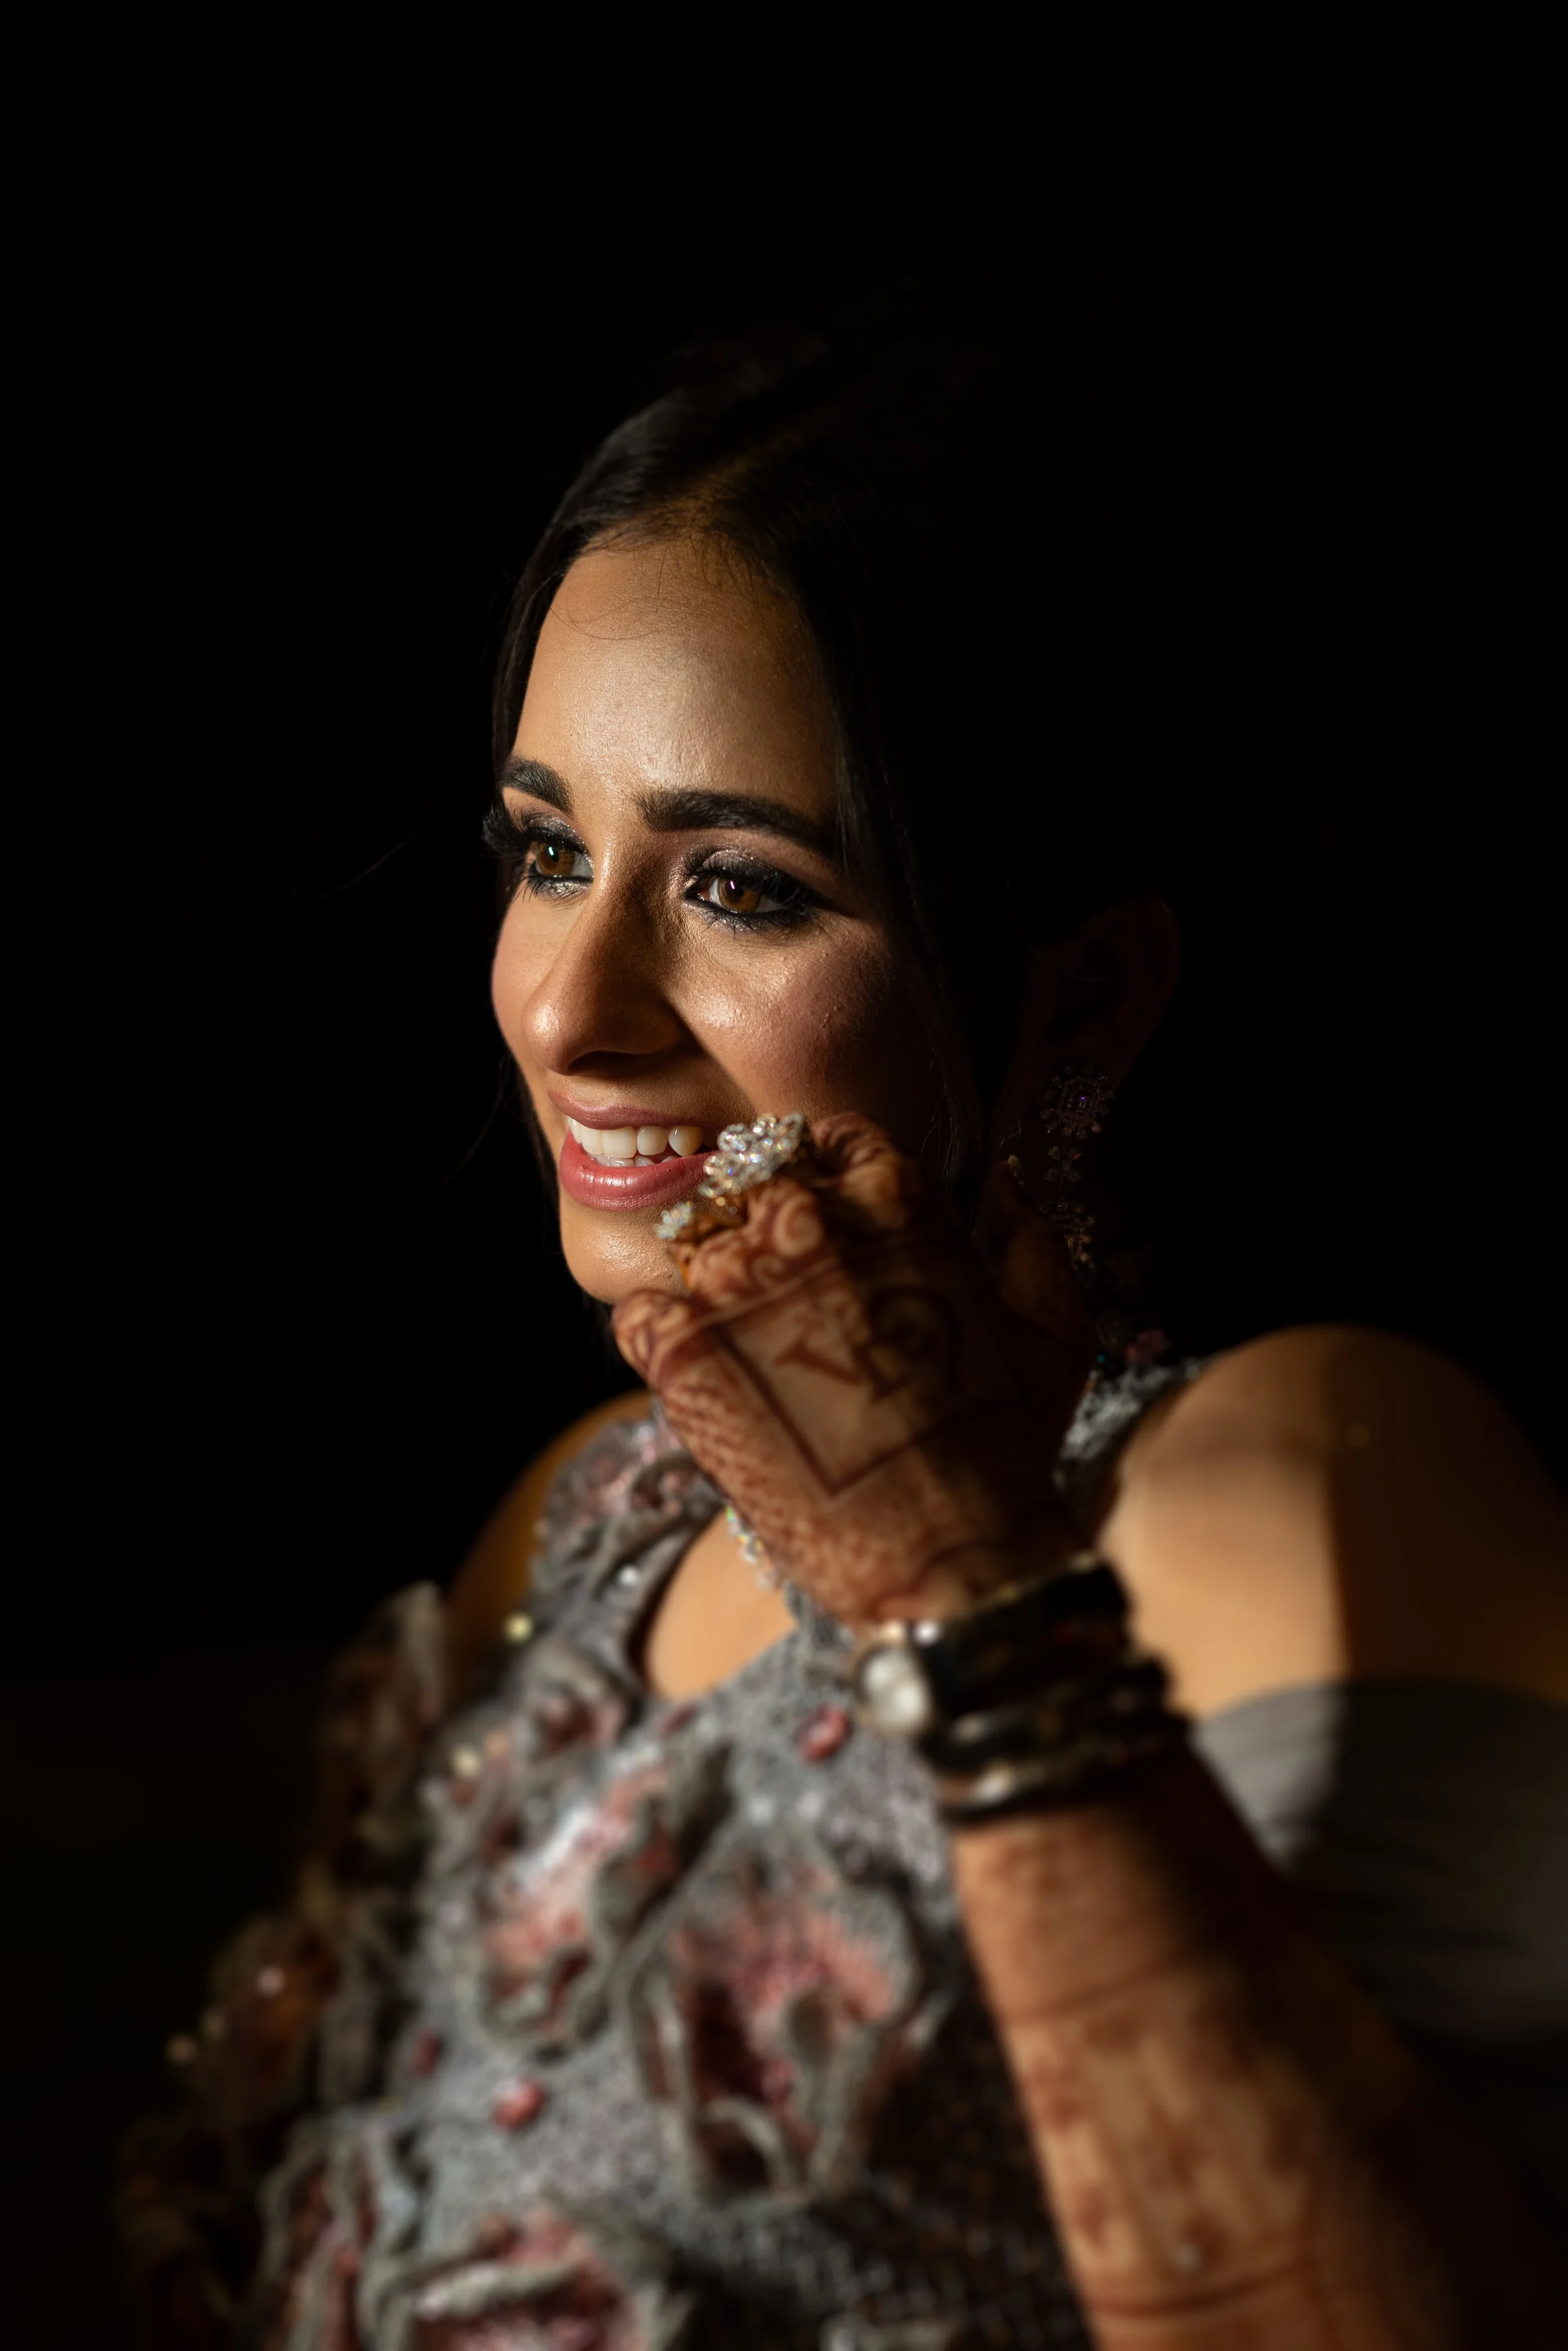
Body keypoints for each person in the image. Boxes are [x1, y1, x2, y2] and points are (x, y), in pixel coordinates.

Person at [121, 260, 1568, 2348]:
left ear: (1085, 990)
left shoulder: (1299, 1480)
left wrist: (952, 1581)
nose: (567, 1006)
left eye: (741, 886)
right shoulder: (586, 1522)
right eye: (545, 852)